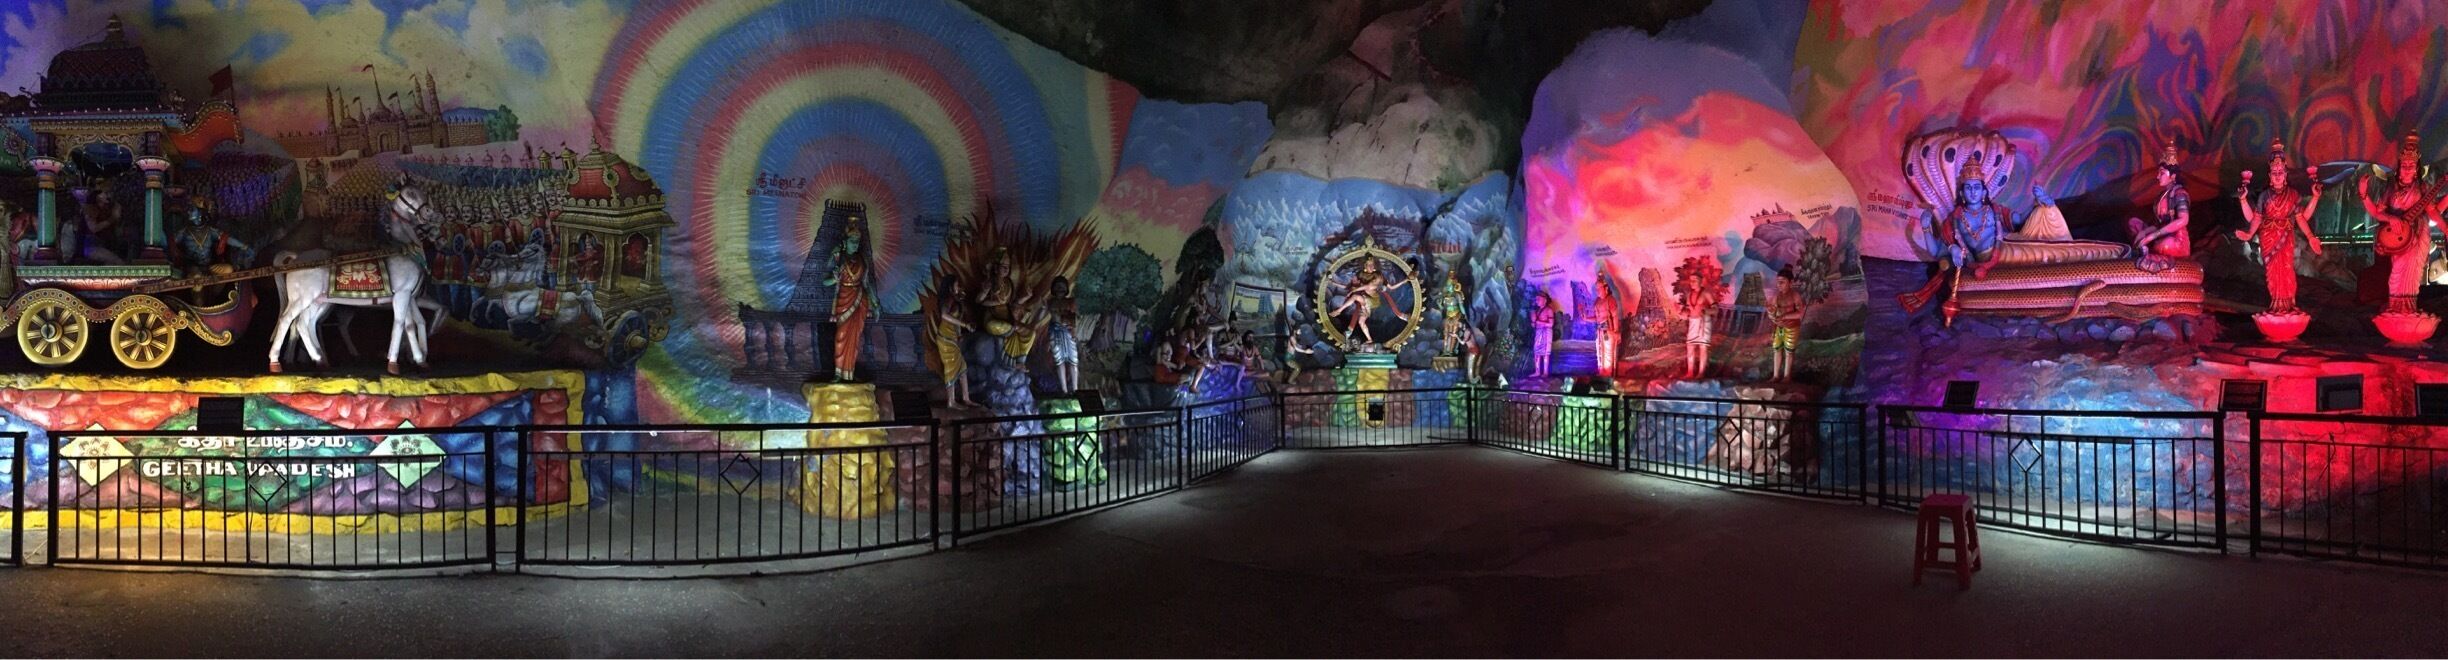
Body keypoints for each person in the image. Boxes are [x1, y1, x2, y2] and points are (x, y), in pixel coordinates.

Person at [2359, 131, 2447, 315]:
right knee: (2396, 276)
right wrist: (2363, 193)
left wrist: (2446, 229)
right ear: (2400, 166)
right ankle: (2395, 308)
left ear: (2417, 168)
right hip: (2396, 238)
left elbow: (2432, 211)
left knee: (2411, 276)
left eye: (2411, 165)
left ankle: (2407, 310)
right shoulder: (2390, 188)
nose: (2407, 169)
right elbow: (2376, 212)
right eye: (2404, 165)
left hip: (2416, 235)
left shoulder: (2421, 187)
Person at [2233, 139, 2324, 315]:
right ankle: (2275, 305)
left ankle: (2288, 305)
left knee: (2287, 270)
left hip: (2285, 237)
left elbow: (2302, 217)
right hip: (2268, 237)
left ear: (2285, 173)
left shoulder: (2293, 194)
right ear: (2269, 175)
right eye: (2274, 172)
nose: (2277, 175)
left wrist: (2315, 200)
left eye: (2280, 171)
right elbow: (2255, 218)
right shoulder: (2264, 196)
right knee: (2272, 273)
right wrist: (2249, 230)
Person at [823, 218, 878, 382]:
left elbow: (867, 283)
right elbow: (824, 281)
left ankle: (849, 373)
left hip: (860, 299)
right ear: (845, 242)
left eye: (857, 241)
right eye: (852, 241)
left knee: (855, 340)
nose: (855, 244)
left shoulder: (862, 260)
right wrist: (834, 279)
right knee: (841, 337)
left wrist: (875, 304)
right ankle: (838, 373)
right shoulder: (837, 257)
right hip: (844, 300)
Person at [2128, 139, 2192, 270]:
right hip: (2160, 235)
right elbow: (2159, 225)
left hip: (2175, 240)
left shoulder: (2179, 193)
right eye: (2159, 173)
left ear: (2173, 176)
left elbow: (2183, 220)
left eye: (2162, 173)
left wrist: (2152, 236)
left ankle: (2150, 251)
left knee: (2164, 245)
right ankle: (2147, 249)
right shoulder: (2161, 197)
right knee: (2133, 223)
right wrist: (2144, 232)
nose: (2158, 176)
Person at [1328, 257, 1412, 349]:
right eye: (1369, 265)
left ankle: (1340, 312)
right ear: (1365, 266)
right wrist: (1334, 283)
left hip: (1373, 299)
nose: (1371, 267)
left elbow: (1391, 287)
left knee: (1356, 297)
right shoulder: (1360, 275)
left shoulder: (1378, 276)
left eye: (1372, 265)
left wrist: (1405, 280)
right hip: (1364, 301)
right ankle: (1368, 338)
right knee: (1361, 321)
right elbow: (1348, 287)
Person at [932, 276, 978, 409]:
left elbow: (957, 318)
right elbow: (945, 315)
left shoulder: (956, 300)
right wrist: (965, 325)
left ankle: (966, 398)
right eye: (957, 285)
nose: (959, 287)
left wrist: (959, 334)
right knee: (951, 368)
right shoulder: (948, 299)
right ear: (950, 287)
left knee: (962, 368)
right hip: (945, 339)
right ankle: (951, 402)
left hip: (953, 338)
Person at [1768, 267, 1806, 382]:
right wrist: (1772, 315)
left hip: (1792, 327)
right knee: (1777, 349)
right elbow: (1772, 312)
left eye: (1782, 282)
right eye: (1778, 282)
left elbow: (1800, 314)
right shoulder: (1776, 297)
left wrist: (1784, 317)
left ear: (1791, 282)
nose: (1779, 285)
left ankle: (1787, 376)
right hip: (1778, 327)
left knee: (1789, 351)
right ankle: (1775, 376)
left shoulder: (1795, 296)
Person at [1046, 276, 1081, 393]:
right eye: (1057, 287)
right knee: (1059, 361)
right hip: (1055, 333)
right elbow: (1050, 318)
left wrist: (1073, 330)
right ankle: (1064, 390)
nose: (1060, 289)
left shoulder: (1071, 302)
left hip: (1068, 333)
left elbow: (1074, 317)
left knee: (1073, 361)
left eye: (1062, 287)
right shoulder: (1050, 302)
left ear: (1066, 288)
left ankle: (1076, 389)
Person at [1529, 289, 1554, 377]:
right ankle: (1537, 371)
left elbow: (1551, 324)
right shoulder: (1538, 311)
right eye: (1536, 299)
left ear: (1545, 300)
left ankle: (1545, 372)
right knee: (1536, 352)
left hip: (1546, 333)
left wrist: (1539, 322)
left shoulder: (1549, 310)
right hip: (1538, 332)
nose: (1537, 301)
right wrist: (1533, 322)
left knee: (1545, 353)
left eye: (1539, 299)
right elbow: (1534, 324)